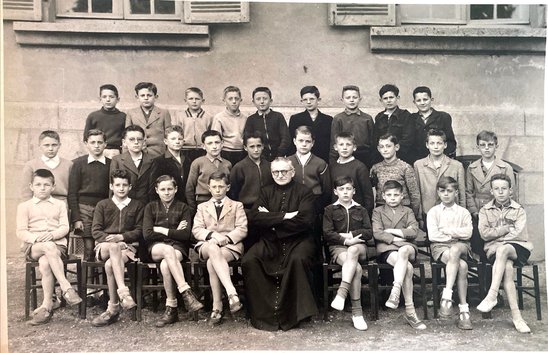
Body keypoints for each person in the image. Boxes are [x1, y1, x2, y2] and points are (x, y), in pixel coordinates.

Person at [242, 157, 318, 331]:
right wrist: (285, 216)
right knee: (249, 260)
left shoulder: (305, 192)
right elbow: (254, 218)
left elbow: (305, 220)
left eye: (284, 171)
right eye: (276, 172)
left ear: (292, 172)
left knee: (298, 260)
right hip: (270, 241)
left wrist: (271, 219)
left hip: (299, 240)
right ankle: (261, 313)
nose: (280, 175)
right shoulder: (265, 191)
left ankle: (296, 313)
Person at [16, 169, 82, 325]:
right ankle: (66, 288)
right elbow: (21, 231)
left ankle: (46, 307)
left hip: (57, 245)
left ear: (53, 187)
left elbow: (65, 227)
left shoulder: (59, 204)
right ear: (31, 186)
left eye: (47, 184)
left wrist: (52, 235)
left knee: (46, 262)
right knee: (47, 247)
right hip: (33, 247)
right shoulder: (24, 206)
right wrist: (37, 238)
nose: (42, 188)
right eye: (38, 184)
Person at [143, 175, 203, 327]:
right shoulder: (150, 207)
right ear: (157, 190)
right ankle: (185, 291)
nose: (167, 192)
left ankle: (172, 309)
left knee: (165, 265)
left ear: (176, 189)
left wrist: (162, 229)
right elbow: (147, 234)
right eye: (162, 189)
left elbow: (185, 235)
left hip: (178, 246)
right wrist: (174, 231)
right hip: (156, 247)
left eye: (170, 189)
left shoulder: (183, 208)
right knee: (167, 251)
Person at [477, 174, 533, 333]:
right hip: (494, 249)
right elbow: (484, 233)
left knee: (503, 249)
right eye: (496, 189)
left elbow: (519, 233)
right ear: (491, 191)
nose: (500, 192)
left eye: (504, 189)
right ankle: (517, 318)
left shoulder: (519, 210)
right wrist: (506, 228)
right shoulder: (485, 210)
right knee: (507, 268)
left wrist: (500, 238)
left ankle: (492, 295)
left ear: (510, 191)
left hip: (518, 248)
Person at [90, 169, 145, 327]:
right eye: (118, 185)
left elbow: (139, 230)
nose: (121, 188)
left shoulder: (137, 205)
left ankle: (113, 308)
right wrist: (112, 241)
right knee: (113, 248)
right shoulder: (103, 204)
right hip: (105, 246)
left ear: (130, 187)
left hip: (127, 247)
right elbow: (96, 230)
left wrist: (122, 238)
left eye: (125, 185)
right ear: (111, 186)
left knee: (109, 266)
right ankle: (123, 291)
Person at [192, 172, 247, 326]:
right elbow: (196, 230)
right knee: (212, 247)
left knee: (211, 263)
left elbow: (242, 229)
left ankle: (217, 307)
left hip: (230, 245)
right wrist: (213, 235)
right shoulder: (202, 207)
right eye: (214, 187)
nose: (217, 190)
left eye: (221, 186)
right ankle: (231, 292)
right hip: (207, 244)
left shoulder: (237, 205)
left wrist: (227, 238)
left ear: (227, 187)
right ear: (208, 188)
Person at [372, 180, 426, 330]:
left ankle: (395, 288)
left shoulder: (408, 211)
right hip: (387, 249)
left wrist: (390, 231)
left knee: (403, 251)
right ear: (383, 196)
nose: (393, 198)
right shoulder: (378, 211)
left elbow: (414, 231)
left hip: (407, 247)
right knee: (407, 268)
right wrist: (399, 237)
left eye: (396, 194)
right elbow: (377, 232)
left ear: (402, 195)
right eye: (389, 195)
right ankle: (410, 312)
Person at [323, 176, 372, 331]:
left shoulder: (361, 209)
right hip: (338, 248)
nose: (345, 192)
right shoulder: (330, 210)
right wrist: (345, 241)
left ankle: (342, 293)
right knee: (356, 269)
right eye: (341, 189)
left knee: (353, 250)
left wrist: (350, 236)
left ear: (354, 191)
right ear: (335, 191)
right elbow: (327, 233)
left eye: (348, 189)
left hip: (359, 247)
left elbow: (368, 232)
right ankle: (357, 313)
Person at [427, 177, 473, 330]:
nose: (446, 194)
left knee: (455, 250)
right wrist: (456, 234)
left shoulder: (463, 212)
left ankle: (447, 296)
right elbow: (433, 235)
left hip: (462, 246)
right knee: (462, 266)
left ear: (456, 192)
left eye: (449, 191)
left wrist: (447, 231)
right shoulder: (433, 212)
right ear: (438, 193)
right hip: (440, 247)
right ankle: (464, 310)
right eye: (442, 191)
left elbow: (468, 233)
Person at [465, 130, 515, 260]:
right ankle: (482, 274)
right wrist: (474, 211)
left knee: (495, 243)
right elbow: (468, 192)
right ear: (478, 147)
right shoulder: (472, 168)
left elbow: (511, 192)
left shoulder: (505, 168)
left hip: (498, 210)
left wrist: (503, 211)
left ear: (496, 146)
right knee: (478, 240)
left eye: (490, 145)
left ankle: (496, 271)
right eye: (482, 145)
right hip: (478, 211)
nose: (486, 148)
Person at [68, 129, 111, 262]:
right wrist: (76, 218)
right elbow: (72, 192)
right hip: (84, 209)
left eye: (100, 142)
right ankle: (86, 282)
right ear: (86, 143)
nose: (96, 145)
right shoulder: (78, 164)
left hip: (104, 209)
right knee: (88, 248)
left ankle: (103, 281)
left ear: (105, 144)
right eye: (93, 142)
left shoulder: (111, 164)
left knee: (104, 247)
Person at [414, 129, 465, 224]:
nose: (436, 147)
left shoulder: (456, 166)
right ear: (427, 145)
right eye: (432, 143)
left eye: (439, 143)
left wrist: (462, 214)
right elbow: (417, 193)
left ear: (445, 145)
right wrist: (419, 217)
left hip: (452, 214)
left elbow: (462, 193)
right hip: (427, 213)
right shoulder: (419, 165)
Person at [370, 134, 421, 223]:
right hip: (382, 208)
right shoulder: (375, 168)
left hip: (403, 209)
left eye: (388, 146)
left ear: (396, 147)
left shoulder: (405, 167)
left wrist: (413, 214)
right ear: (378, 149)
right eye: (382, 147)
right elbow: (373, 191)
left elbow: (414, 194)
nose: (385, 149)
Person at [185, 130, 231, 213]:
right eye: (210, 143)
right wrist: (192, 208)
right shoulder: (198, 163)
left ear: (222, 144)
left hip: (223, 203)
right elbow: (189, 187)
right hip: (203, 202)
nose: (214, 146)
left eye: (217, 142)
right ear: (203, 146)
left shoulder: (227, 164)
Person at [287, 125, 331, 215]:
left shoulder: (320, 163)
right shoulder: (288, 162)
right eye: (301, 140)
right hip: (292, 202)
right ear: (294, 141)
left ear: (313, 143)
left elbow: (327, 189)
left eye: (308, 141)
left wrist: (318, 206)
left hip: (315, 201)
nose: (304, 144)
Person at [21, 130, 73, 203]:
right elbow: (26, 193)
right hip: (38, 204)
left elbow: (73, 192)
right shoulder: (31, 165)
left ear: (59, 145)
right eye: (46, 145)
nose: (50, 149)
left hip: (62, 204)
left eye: (54, 145)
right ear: (39, 146)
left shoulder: (69, 165)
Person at [330, 85, 374, 169]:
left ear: (359, 99)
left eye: (355, 97)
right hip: (344, 156)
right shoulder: (338, 119)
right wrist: (333, 164)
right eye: (348, 97)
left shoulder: (367, 118)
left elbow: (373, 142)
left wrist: (373, 161)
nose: (351, 100)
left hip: (365, 157)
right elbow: (333, 143)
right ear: (342, 100)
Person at [329, 132, 374, 215]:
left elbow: (368, 195)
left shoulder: (360, 167)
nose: (344, 148)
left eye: (348, 145)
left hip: (356, 214)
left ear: (354, 147)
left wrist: (365, 215)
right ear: (335, 147)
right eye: (341, 144)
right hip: (337, 214)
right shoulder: (332, 167)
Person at [125, 82, 172, 158]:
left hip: (158, 153)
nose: (146, 98)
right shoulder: (131, 113)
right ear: (137, 97)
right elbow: (127, 134)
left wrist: (168, 155)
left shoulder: (164, 113)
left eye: (149, 95)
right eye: (142, 95)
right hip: (137, 152)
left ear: (156, 97)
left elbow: (169, 135)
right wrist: (125, 155)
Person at [372, 84, 416, 165]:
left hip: (402, 157)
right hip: (382, 157)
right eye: (385, 98)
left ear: (397, 98)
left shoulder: (406, 115)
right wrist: (383, 153)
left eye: (391, 97)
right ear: (381, 100)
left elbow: (408, 140)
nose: (389, 100)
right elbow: (376, 139)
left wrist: (392, 153)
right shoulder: (379, 117)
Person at [243, 87, 290, 161]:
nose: (262, 102)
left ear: (271, 101)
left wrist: (280, 154)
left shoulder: (278, 117)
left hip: (278, 157)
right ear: (253, 102)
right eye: (258, 99)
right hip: (260, 158)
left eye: (265, 98)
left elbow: (285, 137)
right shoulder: (251, 120)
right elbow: (248, 139)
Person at [110, 125, 154, 205]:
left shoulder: (152, 160)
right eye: (131, 139)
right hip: (124, 205)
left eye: (139, 139)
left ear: (144, 142)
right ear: (124, 142)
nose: (136, 142)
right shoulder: (117, 160)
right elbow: (112, 187)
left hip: (146, 206)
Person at [287, 85, 332, 163]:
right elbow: (291, 143)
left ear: (318, 100)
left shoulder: (328, 120)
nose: (308, 102)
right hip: (301, 160)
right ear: (301, 101)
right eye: (305, 99)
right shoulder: (295, 119)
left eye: (312, 99)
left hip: (323, 159)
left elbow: (330, 143)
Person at [410, 86, 457, 161]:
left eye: (425, 99)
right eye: (418, 100)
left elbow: (450, 142)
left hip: (440, 160)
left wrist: (441, 158)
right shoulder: (411, 118)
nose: (422, 103)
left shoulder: (443, 117)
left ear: (431, 99)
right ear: (414, 102)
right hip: (418, 161)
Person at [149, 125, 191, 203]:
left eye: (180, 139)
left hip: (185, 204)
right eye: (173, 139)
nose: (177, 141)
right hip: (167, 203)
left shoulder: (188, 160)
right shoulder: (159, 161)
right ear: (165, 141)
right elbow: (153, 188)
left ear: (183, 141)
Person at [84, 84, 126, 159]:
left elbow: (125, 137)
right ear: (100, 99)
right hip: (98, 151)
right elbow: (86, 137)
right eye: (104, 97)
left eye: (111, 97)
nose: (108, 100)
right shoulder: (93, 116)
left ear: (118, 99)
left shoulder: (123, 117)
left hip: (116, 152)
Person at [212, 86, 248, 166]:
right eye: (230, 99)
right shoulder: (219, 118)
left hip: (242, 152)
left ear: (240, 100)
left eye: (236, 98)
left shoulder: (245, 118)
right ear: (224, 100)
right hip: (225, 152)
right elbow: (216, 138)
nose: (234, 101)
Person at [175, 87, 214, 163]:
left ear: (203, 101)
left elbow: (211, 135)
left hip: (202, 150)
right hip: (184, 149)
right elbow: (177, 133)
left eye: (197, 99)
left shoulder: (208, 117)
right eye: (191, 99)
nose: (194, 101)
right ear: (185, 101)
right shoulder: (180, 116)